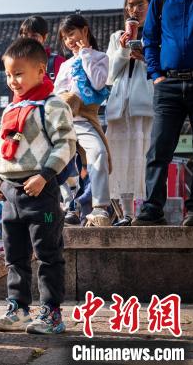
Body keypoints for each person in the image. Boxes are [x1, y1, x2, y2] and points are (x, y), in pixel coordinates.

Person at [0, 38, 76, 335]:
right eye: (8, 75)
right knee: (14, 255)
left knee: (48, 253)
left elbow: (66, 144)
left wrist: (45, 175)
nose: (12, 81)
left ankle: (52, 312)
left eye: (18, 74)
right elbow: (3, 149)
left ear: (41, 71)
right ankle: (19, 308)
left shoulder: (52, 105)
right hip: (11, 194)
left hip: (40, 189)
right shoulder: (10, 108)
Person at [134, 0, 193, 226]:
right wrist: (155, 74)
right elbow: (150, 40)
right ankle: (152, 207)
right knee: (159, 148)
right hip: (168, 84)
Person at [54, 14, 112, 227]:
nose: (68, 40)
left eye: (71, 33)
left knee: (98, 152)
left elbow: (98, 84)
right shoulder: (65, 65)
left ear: (84, 31)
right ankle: (67, 207)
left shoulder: (100, 57)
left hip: (86, 119)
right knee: (55, 161)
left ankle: (100, 208)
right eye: (64, 37)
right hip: (64, 121)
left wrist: (85, 54)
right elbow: (56, 92)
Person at [105, 0, 155, 226]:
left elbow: (164, 68)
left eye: (140, 4)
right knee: (119, 158)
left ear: (150, 6)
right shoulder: (116, 36)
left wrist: (146, 56)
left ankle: (149, 209)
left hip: (144, 104)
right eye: (131, 5)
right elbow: (108, 75)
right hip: (119, 107)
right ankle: (126, 213)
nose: (134, 9)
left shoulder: (158, 32)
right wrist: (123, 50)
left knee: (145, 156)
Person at [19, 15, 66, 81]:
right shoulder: (17, 63)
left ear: (45, 37)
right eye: (25, 35)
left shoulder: (58, 62)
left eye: (34, 35)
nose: (29, 39)